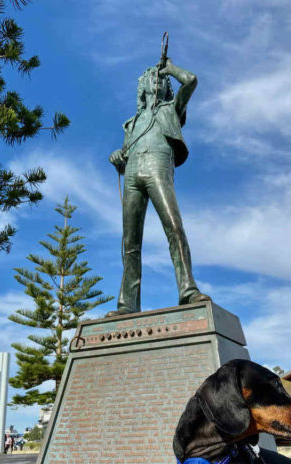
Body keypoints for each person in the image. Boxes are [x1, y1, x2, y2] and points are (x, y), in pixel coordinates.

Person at [106, 58, 211, 316]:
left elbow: (191, 80)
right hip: (132, 173)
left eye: (157, 78)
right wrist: (118, 157)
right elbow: (124, 156)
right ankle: (127, 303)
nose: (153, 79)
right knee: (130, 241)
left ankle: (188, 290)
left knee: (174, 226)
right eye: (149, 77)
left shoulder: (171, 109)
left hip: (158, 166)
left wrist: (170, 69)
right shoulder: (131, 124)